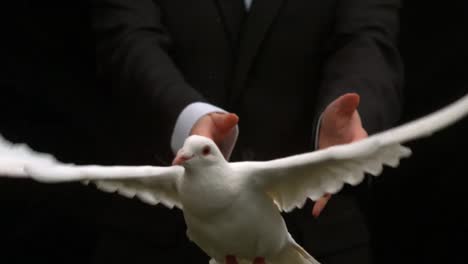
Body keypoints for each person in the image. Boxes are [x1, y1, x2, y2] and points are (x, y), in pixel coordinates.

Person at [91, 0, 403, 263]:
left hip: (315, 237)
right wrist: (189, 119)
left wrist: (345, 118)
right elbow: (125, 33)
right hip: (157, 243)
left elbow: (368, 37)